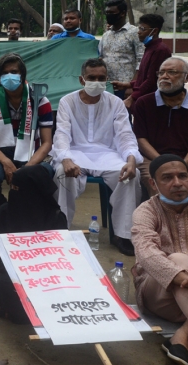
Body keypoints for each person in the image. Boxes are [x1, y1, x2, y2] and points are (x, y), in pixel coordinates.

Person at [51, 58, 142, 255]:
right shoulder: (67, 101)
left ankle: (123, 235)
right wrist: (65, 158)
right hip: (75, 153)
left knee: (130, 175)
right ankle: (62, 228)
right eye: (91, 78)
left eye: (101, 78)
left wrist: (131, 159)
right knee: (60, 171)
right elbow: (62, 134)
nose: (97, 82)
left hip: (107, 154)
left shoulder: (116, 103)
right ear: (82, 80)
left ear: (107, 79)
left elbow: (125, 134)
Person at [131, 154, 188, 365]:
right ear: (153, 183)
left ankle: (183, 335)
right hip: (158, 294)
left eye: (182, 176)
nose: (177, 183)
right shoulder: (145, 211)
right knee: (179, 258)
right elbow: (146, 253)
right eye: (167, 178)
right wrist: (184, 278)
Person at [0, 165, 67, 323]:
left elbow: (61, 257)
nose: (14, 192)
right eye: (13, 188)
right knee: (2, 285)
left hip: (47, 272)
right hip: (11, 270)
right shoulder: (5, 212)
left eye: (19, 188)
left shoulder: (56, 218)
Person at [0, 53, 54, 210]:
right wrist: (6, 162)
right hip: (0, 153)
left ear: (22, 75)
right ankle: (5, 209)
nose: (9, 76)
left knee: (46, 172)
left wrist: (27, 168)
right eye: (4, 73)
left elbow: (47, 142)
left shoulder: (40, 100)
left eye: (14, 72)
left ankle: (31, 211)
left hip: (31, 153)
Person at [133, 57, 188, 196]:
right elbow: (141, 139)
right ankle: (158, 217)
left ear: (186, 78)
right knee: (158, 182)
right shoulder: (144, 103)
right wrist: (162, 162)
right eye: (161, 73)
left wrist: (182, 163)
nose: (164, 77)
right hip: (151, 159)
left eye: (172, 72)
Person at [113, 14, 171, 110]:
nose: (139, 32)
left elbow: (151, 81)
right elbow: (143, 78)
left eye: (143, 29)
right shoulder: (149, 48)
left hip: (152, 103)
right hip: (144, 101)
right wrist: (127, 85)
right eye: (139, 28)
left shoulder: (160, 50)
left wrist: (131, 98)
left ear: (155, 31)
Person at [98, 0, 143, 99]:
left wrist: (132, 86)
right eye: (107, 12)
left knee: (124, 114)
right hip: (107, 87)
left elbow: (141, 61)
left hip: (126, 88)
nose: (108, 15)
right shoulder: (106, 35)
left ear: (122, 13)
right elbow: (100, 57)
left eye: (111, 12)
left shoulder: (135, 33)